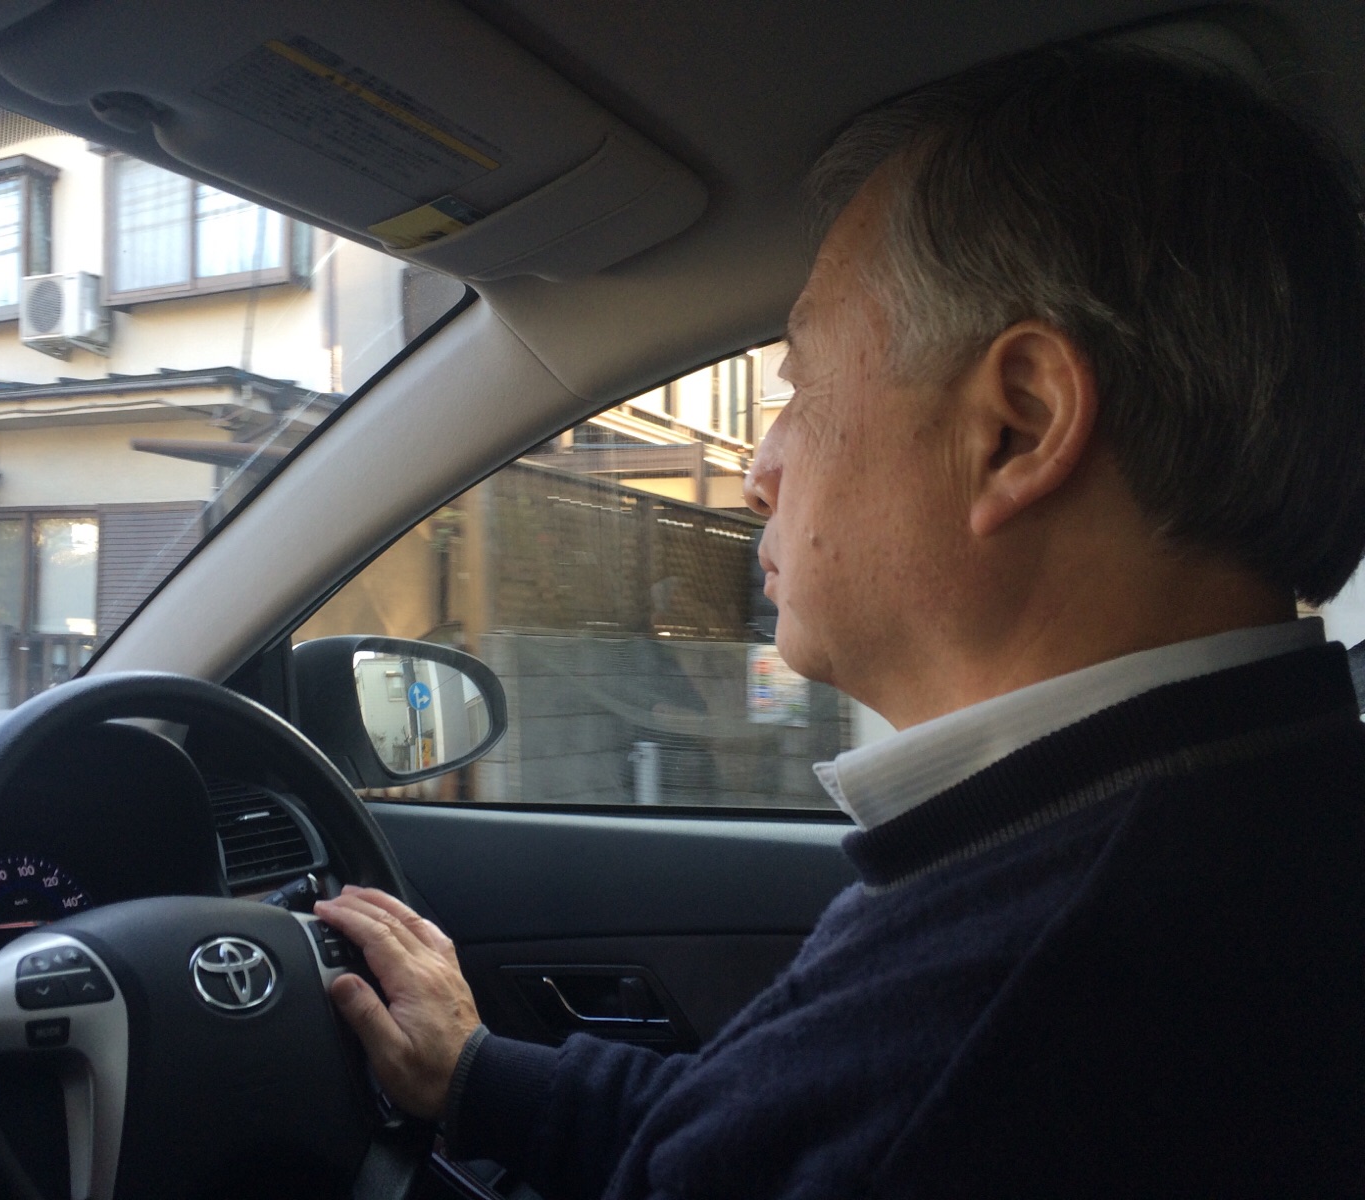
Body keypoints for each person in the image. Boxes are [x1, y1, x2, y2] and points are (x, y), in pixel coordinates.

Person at [314, 39, 1365, 1198]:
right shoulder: (1219, 836)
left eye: (800, 386)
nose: (758, 471)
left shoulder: (985, 1048)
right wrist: (477, 1075)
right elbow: (757, 1125)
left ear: (1016, 425)